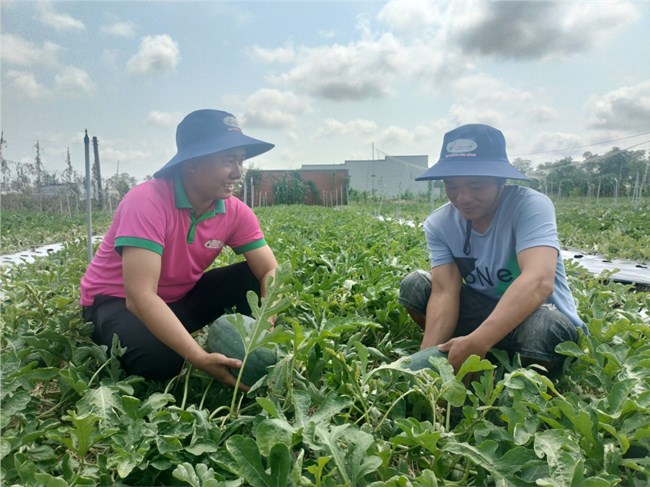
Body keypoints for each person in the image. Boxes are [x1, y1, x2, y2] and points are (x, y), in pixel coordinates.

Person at [80, 109, 278, 389]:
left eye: (241, 160)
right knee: (165, 362)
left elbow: (270, 270)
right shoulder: (147, 201)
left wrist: (264, 328)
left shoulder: (235, 212)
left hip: (177, 299)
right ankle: (167, 342)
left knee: (252, 276)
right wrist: (198, 356)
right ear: (192, 164)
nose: (238, 172)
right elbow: (138, 297)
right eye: (228, 161)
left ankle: (242, 355)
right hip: (116, 300)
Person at [398, 124, 586, 373]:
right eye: (452, 186)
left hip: (541, 316)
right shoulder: (440, 223)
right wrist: (427, 362)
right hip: (484, 314)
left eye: (476, 186)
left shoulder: (530, 206)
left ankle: (524, 376)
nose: (462, 197)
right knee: (416, 285)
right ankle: (462, 352)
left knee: (541, 327)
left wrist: (479, 340)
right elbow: (445, 292)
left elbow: (538, 280)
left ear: (501, 181)